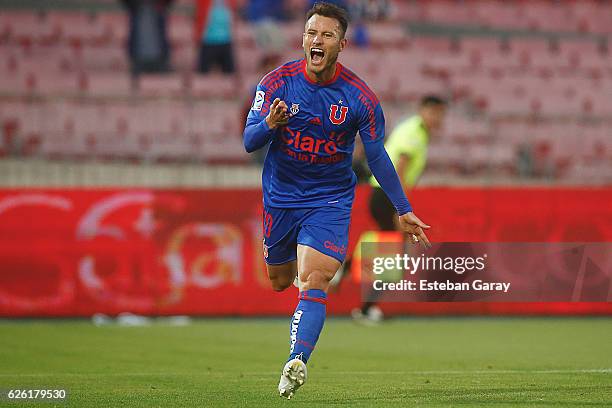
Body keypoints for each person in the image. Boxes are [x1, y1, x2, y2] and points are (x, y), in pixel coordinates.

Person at [242, 2, 432, 399]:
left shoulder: (359, 97)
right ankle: (300, 280)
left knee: (316, 278)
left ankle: (297, 361)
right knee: (280, 282)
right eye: (312, 32)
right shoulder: (276, 84)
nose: (318, 40)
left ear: (341, 44)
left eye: (327, 35)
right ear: (303, 38)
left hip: (330, 198)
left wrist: (403, 207)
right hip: (281, 197)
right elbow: (249, 141)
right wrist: (271, 123)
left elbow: (377, 155)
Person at [351, 95, 447, 323]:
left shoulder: (417, 131)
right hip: (386, 196)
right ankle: (364, 307)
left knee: (393, 254)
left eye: (441, 114)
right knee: (397, 255)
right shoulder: (414, 133)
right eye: (435, 112)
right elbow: (400, 167)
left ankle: (358, 296)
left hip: (382, 194)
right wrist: (401, 207)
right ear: (423, 110)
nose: (438, 118)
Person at [195, 0, 237, 74]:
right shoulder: (203, 2)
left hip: (226, 41)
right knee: (202, 74)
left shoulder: (230, 3)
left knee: (229, 74)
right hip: (208, 42)